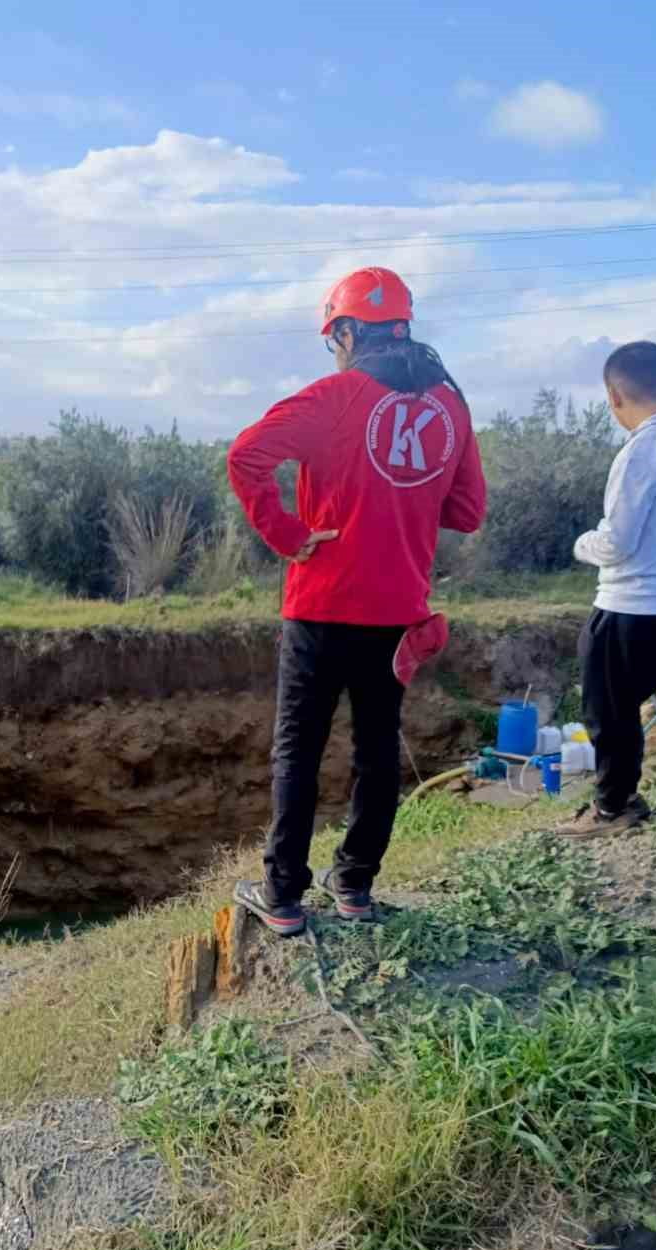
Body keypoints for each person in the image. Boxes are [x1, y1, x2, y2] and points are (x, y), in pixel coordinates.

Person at [226, 265, 487, 936]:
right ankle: (356, 888)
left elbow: (246, 456)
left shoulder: (336, 396)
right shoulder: (449, 406)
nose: (333, 348)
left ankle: (282, 896)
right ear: (402, 328)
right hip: (398, 610)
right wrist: (406, 503)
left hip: (319, 604)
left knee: (299, 748)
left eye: (332, 336)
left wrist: (287, 534)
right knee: (377, 747)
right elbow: (468, 510)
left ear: (346, 330)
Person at [560, 341, 656, 839]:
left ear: (614, 396)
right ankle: (620, 799)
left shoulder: (643, 451)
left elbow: (618, 542)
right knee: (622, 704)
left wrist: (580, 543)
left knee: (606, 708)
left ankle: (615, 807)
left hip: (633, 603)